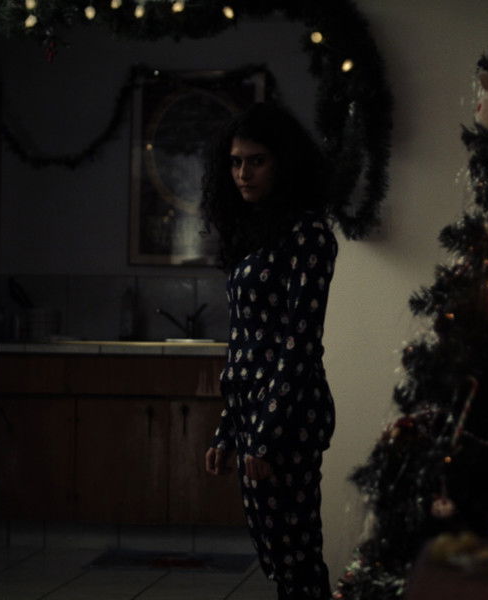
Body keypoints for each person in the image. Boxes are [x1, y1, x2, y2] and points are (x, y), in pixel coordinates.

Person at [201, 102, 338, 600]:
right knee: (277, 559)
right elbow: (246, 343)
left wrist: (266, 436)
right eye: (236, 162)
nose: (243, 173)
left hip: (289, 418)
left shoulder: (309, 235)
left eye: (256, 161)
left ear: (283, 163)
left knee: (297, 557)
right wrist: (229, 429)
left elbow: (299, 343)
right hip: (252, 416)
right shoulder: (254, 232)